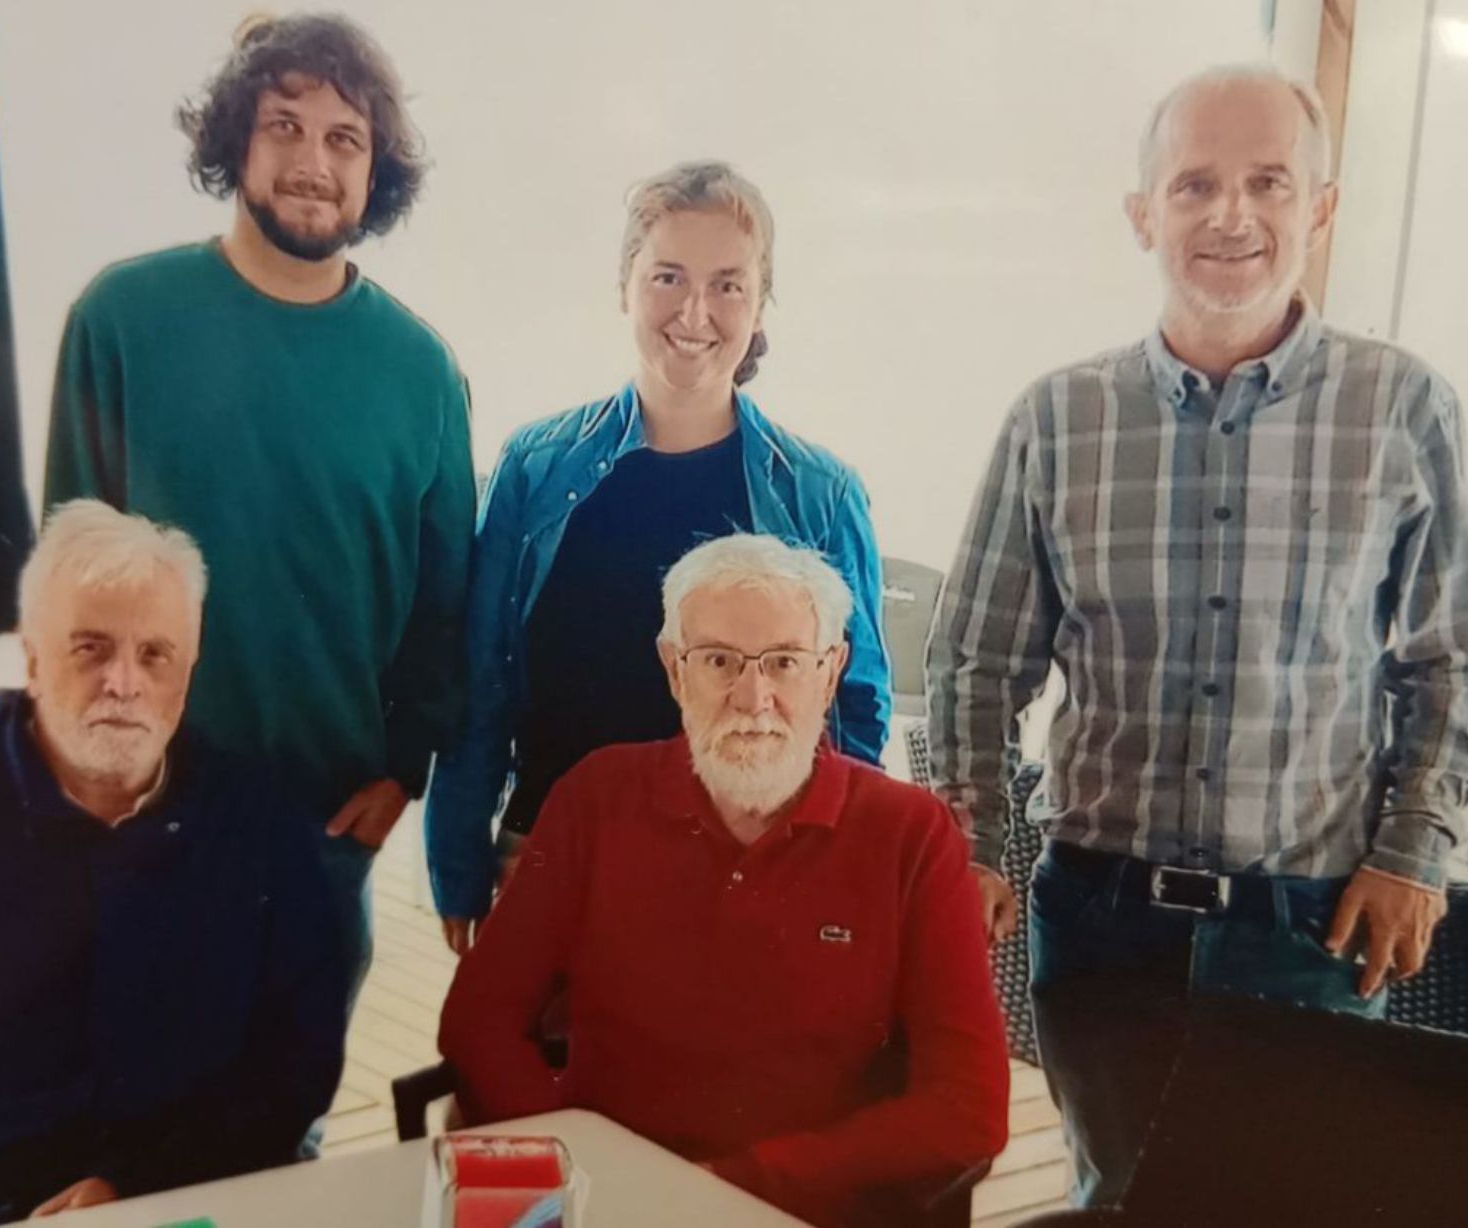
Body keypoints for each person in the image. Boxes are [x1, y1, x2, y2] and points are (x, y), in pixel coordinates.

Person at [927, 64, 1467, 1207]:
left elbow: (1445, 660)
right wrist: (970, 844)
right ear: (1143, 214)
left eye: (1269, 182)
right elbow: (976, 665)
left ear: (1318, 209)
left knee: (1291, 1206)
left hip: (1311, 925)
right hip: (1101, 921)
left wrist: (1414, 848)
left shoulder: (1405, 410)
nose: (1232, 214)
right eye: (1194, 184)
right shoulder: (1055, 420)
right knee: (1118, 1201)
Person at [42, 13, 475, 1001]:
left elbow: (441, 614)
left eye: (343, 138)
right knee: (111, 1130)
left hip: (318, 841)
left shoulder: (422, 373)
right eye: (283, 125)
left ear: (376, 170)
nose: (311, 161)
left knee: (286, 1132)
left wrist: (401, 771)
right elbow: (64, 578)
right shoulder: (122, 320)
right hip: (135, 824)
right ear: (236, 135)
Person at [440, 534, 1008, 1228]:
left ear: (831, 673)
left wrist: (725, 1189)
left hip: (797, 1212)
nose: (753, 698)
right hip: (608, 1201)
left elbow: (969, 1108)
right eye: (718, 661)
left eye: (784, 663)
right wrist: (584, 1166)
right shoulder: (598, 796)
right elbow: (479, 1017)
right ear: (674, 670)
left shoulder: (910, 836)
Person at [425, 161, 892, 950]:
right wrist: (458, 860)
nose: (696, 312)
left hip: (753, 873)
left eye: (729, 284)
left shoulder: (822, 493)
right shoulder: (535, 468)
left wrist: (844, 881)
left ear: (760, 301)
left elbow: (856, 709)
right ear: (625, 287)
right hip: (553, 859)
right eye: (668, 276)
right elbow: (481, 681)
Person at [0, 500, 345, 1227]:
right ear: (31, 659)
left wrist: (142, 1187)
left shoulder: (258, 824)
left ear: (188, 670)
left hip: (193, 1193)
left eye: (155, 654)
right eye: (90, 648)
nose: (124, 683)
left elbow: (297, 1060)